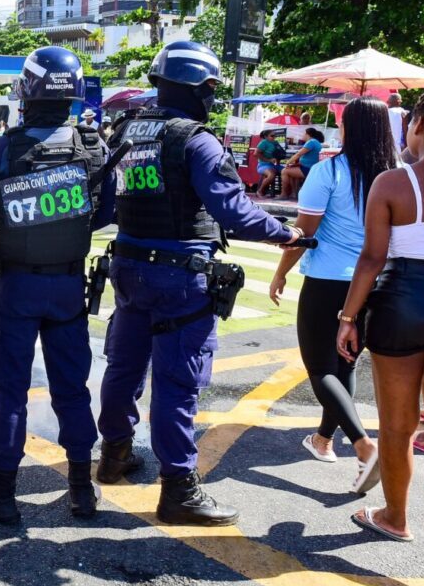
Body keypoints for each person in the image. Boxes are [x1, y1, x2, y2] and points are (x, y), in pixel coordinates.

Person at [97, 40, 299, 526]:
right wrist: (285, 233)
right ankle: (179, 490)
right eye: (210, 88)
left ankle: (114, 456)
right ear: (200, 88)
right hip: (180, 277)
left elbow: (105, 200)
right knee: (177, 382)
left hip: (127, 267)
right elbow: (233, 210)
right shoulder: (196, 139)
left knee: (124, 367)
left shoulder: (125, 129)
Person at [0, 46, 115, 524]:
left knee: (10, 391)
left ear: (26, 90)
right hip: (68, 286)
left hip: (16, 288)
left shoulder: (4, 149)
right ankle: (80, 490)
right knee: (72, 389)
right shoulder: (94, 146)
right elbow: (105, 214)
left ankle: (3, 492)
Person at [337, 71, 424, 553]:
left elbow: (372, 259)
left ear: (420, 125)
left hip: (401, 302)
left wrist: (348, 319)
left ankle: (394, 516)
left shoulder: (393, 181)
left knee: (398, 423)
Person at [268, 97, 396, 492]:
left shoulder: (329, 171)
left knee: (321, 368)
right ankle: (324, 440)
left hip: (328, 280)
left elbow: (304, 236)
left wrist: (279, 274)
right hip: (376, 282)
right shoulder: (397, 174)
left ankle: (362, 445)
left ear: (348, 129)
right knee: (346, 364)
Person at [281, 126, 324, 199]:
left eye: (304, 134)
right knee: (291, 172)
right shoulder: (315, 142)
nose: (303, 135)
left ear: (308, 134)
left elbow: (299, 154)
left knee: (284, 171)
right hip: (309, 167)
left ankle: (284, 194)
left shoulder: (311, 142)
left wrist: (288, 162)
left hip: (308, 169)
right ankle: (294, 194)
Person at [255, 128, 286, 196]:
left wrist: (278, 161)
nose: (274, 137)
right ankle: (260, 191)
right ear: (266, 136)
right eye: (272, 136)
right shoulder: (264, 142)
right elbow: (256, 154)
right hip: (263, 165)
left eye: (275, 136)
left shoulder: (275, 143)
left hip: (273, 165)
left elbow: (279, 154)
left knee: (288, 171)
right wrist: (268, 160)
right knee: (272, 174)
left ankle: (286, 193)